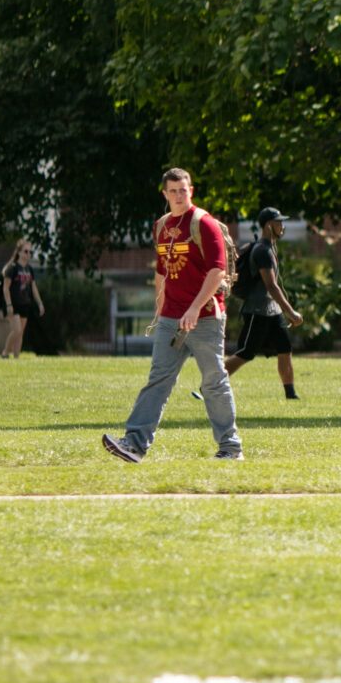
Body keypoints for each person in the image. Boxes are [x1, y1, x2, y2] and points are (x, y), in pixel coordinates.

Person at [102, 168, 243, 462]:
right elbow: (162, 272)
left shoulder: (204, 224)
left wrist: (193, 308)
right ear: (165, 194)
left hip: (204, 317)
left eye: (184, 190)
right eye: (173, 191)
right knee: (158, 379)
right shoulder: (162, 226)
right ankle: (134, 445)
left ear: (191, 190)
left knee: (213, 382)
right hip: (171, 320)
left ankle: (231, 448)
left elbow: (217, 272)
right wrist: (161, 309)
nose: (179, 196)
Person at [224, 208, 305, 401]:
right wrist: (291, 312)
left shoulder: (269, 248)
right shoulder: (262, 251)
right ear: (269, 225)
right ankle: (210, 386)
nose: (282, 226)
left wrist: (282, 311)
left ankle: (291, 395)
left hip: (271, 310)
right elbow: (271, 286)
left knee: (285, 348)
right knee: (246, 352)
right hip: (257, 310)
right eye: (279, 223)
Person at [0, 242, 45, 359]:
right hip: (13, 304)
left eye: (30, 252)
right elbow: (5, 288)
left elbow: (33, 288)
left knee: (20, 334)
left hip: (25, 303)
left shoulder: (29, 269)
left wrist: (39, 303)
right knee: (17, 330)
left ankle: (16, 357)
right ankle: (5, 352)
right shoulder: (12, 268)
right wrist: (9, 304)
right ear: (19, 252)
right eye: (26, 251)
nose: (28, 254)